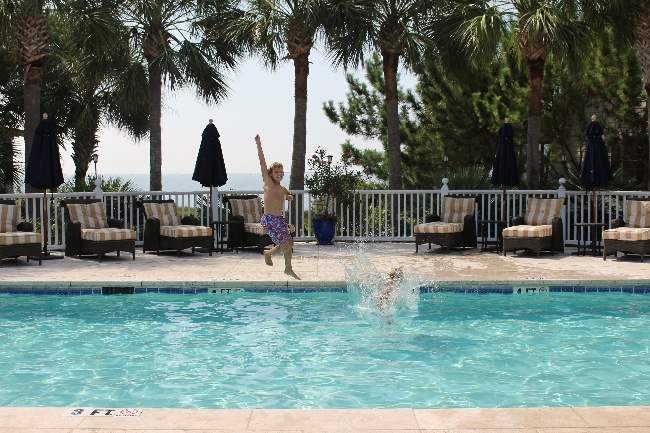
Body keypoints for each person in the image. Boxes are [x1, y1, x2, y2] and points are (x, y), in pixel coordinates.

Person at [255, 134, 300, 280]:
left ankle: (288, 268)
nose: (280, 173)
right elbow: (262, 161)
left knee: (289, 243)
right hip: (269, 219)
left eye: (281, 171)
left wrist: (289, 197)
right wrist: (258, 143)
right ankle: (268, 254)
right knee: (285, 245)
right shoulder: (268, 182)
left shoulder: (282, 188)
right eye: (277, 171)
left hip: (279, 220)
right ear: (270, 174)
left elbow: (288, 195)